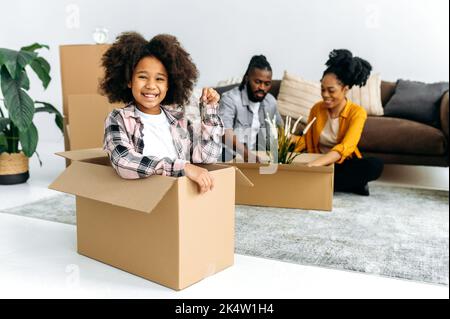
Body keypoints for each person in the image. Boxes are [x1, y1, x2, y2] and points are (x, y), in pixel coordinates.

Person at [101, 32, 224, 194]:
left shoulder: (178, 121)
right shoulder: (119, 119)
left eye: (159, 79)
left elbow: (208, 157)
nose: (151, 86)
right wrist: (183, 167)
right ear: (129, 80)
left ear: (169, 85)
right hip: (141, 198)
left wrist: (209, 111)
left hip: (178, 197)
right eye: (143, 77)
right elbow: (123, 161)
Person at [294, 49, 384, 195]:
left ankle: (326, 181)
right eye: (322, 89)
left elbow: (346, 147)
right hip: (317, 160)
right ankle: (349, 185)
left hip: (340, 164)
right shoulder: (317, 109)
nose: (325, 95)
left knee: (375, 165)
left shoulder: (357, 113)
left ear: (345, 89)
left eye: (331, 90)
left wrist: (312, 166)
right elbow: (307, 140)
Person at [219, 55, 283, 162]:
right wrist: (247, 154)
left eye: (267, 84)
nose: (262, 88)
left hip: (259, 158)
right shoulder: (230, 99)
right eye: (257, 82)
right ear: (247, 78)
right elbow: (224, 132)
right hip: (231, 157)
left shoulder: (270, 102)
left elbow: (281, 131)